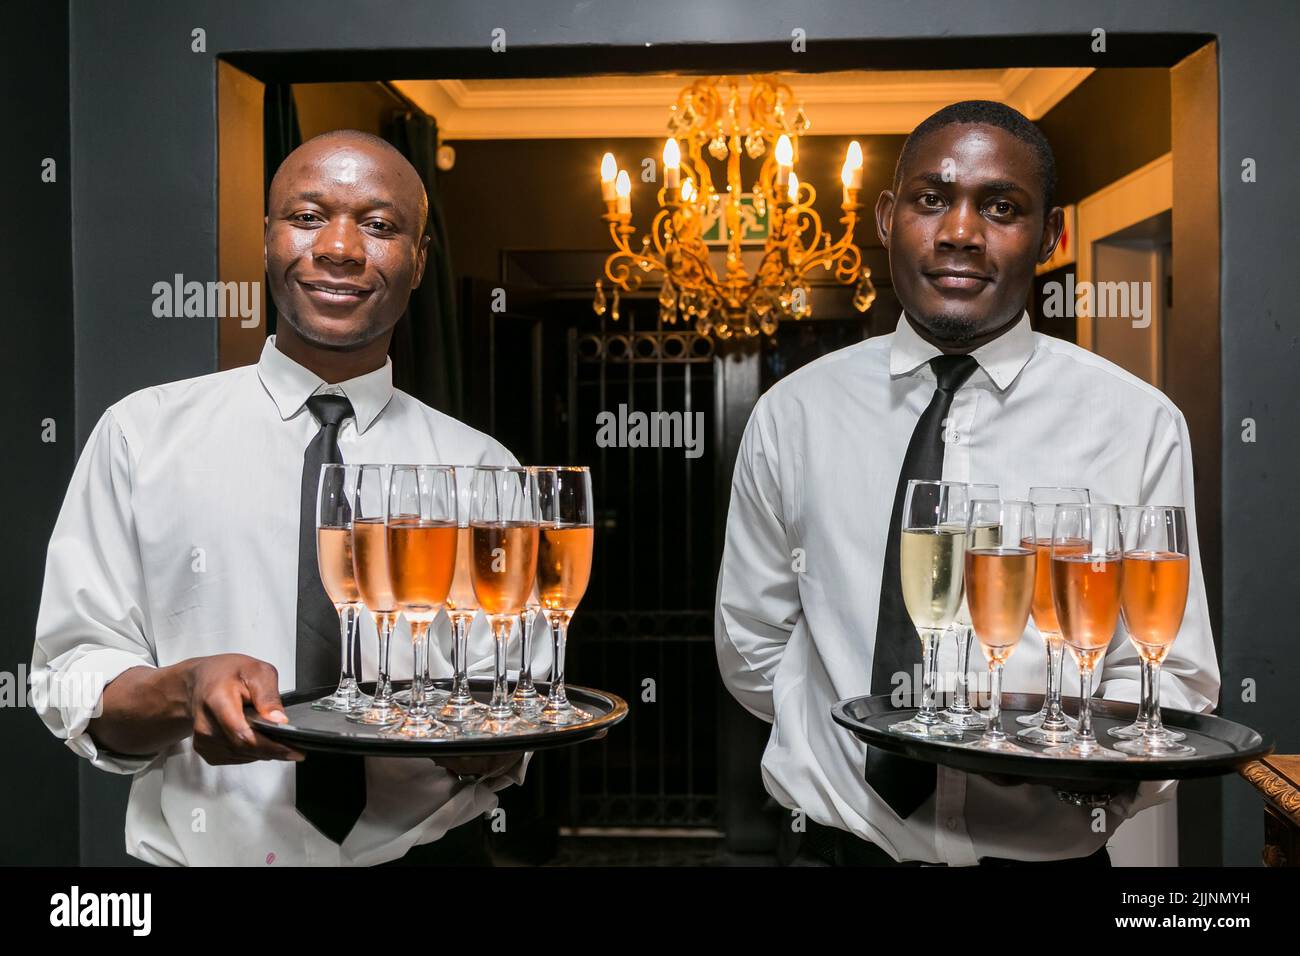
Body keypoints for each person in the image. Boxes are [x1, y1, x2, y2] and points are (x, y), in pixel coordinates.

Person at [714, 100, 1220, 866]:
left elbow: (1172, 672)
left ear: (1050, 237)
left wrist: (1076, 770)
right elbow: (754, 644)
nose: (959, 231)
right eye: (931, 198)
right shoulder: (794, 414)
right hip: (834, 849)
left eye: (1001, 207)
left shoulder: (1137, 422)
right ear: (887, 217)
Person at [31, 129, 544, 866]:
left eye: (379, 224)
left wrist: (483, 744)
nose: (339, 247)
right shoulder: (140, 436)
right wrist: (184, 692)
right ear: (268, 238)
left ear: (419, 261)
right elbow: (75, 680)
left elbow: (516, 707)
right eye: (307, 217)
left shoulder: (484, 469)